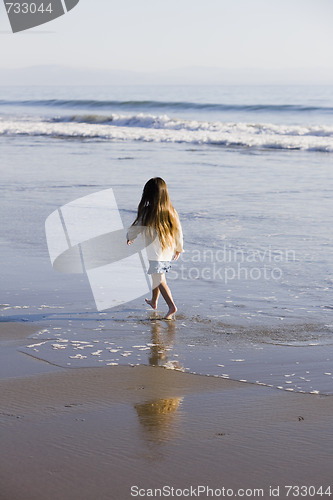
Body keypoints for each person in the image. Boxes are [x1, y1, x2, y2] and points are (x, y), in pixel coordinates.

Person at [127, 177, 184, 320]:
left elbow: (137, 227)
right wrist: (178, 248)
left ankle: (172, 306)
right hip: (167, 250)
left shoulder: (147, 211)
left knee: (159, 279)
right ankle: (154, 301)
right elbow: (178, 231)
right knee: (156, 276)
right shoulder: (171, 211)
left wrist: (130, 236)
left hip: (156, 252)